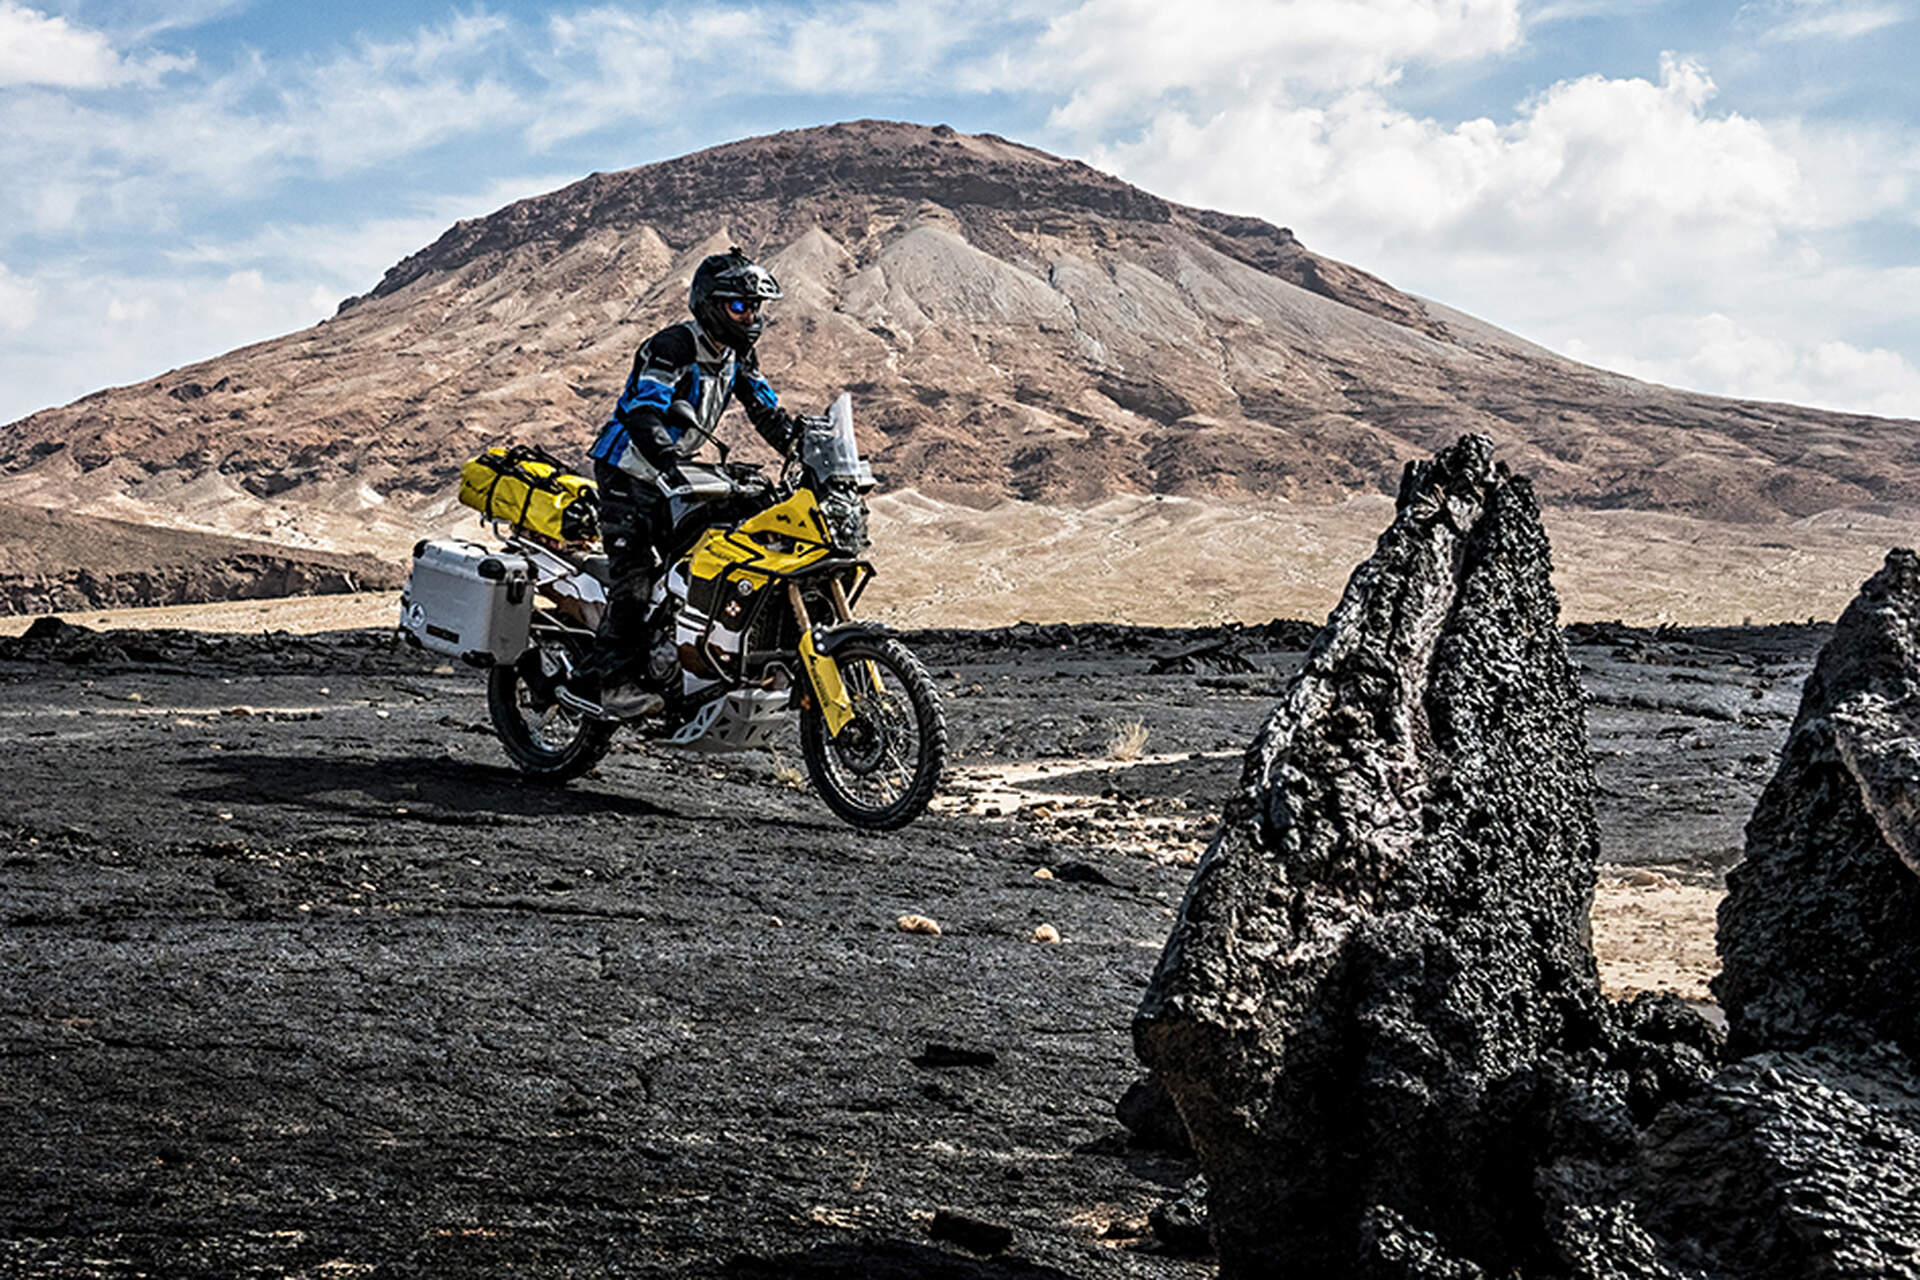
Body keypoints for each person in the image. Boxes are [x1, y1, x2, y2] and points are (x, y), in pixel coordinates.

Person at [568, 248, 802, 716]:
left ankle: (686, 662)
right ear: (711, 305)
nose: (749, 316)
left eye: (754, 307)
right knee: (634, 580)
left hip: (675, 473)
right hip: (628, 469)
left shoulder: (739, 355)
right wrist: (667, 456)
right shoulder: (672, 346)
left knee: (707, 563)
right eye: (739, 306)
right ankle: (602, 682)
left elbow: (765, 411)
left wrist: (802, 447)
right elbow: (645, 409)